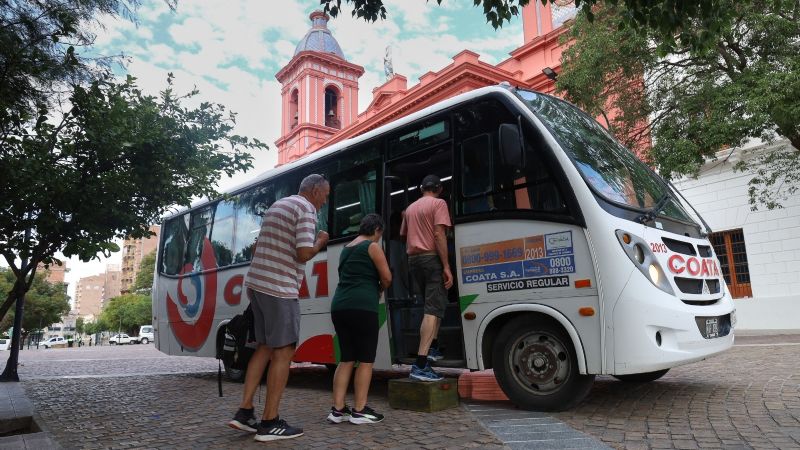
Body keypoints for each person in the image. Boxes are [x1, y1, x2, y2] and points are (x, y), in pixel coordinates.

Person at [228, 174, 330, 442]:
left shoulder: (279, 205)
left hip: (257, 284)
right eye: (325, 195)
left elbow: (258, 247)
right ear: (315, 190)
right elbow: (303, 253)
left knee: (263, 347)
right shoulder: (307, 210)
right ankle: (270, 422)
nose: (325, 200)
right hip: (279, 287)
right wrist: (321, 240)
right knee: (284, 351)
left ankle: (245, 412)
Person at [326, 213, 392, 425]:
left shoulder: (346, 248)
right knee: (365, 360)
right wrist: (380, 289)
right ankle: (360, 410)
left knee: (346, 358)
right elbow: (387, 277)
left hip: (340, 307)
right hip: (363, 307)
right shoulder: (372, 246)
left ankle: (337, 410)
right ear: (377, 230)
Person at [400, 175, 453, 382]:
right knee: (431, 310)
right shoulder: (439, 203)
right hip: (432, 259)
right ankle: (421, 364)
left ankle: (433, 347)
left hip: (414, 260)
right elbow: (439, 235)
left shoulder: (410, 209)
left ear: (422, 188)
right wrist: (446, 266)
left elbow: (404, 234)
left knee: (432, 305)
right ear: (439, 188)